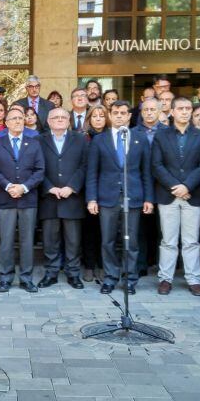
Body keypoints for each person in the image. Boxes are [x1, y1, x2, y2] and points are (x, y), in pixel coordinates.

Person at [86, 100, 154, 295]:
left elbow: (146, 172)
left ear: (129, 116)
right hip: (106, 197)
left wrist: (148, 198)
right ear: (110, 114)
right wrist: (91, 198)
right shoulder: (100, 139)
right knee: (107, 241)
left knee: (130, 242)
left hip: (133, 196)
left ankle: (130, 278)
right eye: (115, 112)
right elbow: (92, 172)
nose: (119, 116)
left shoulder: (140, 138)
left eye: (123, 113)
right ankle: (110, 277)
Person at [151, 97, 200, 297]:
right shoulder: (161, 135)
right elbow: (156, 165)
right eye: (181, 108)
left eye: (188, 108)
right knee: (168, 240)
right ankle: (165, 279)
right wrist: (175, 186)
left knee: (191, 241)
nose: (185, 112)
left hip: (192, 195)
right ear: (173, 112)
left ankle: (193, 279)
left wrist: (187, 186)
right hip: (168, 194)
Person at [0, 107, 45, 293]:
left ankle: (26, 278)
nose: (18, 121)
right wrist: (8, 186)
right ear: (7, 122)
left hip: (28, 199)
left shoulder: (34, 143)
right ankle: (5, 277)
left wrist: (24, 187)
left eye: (21, 118)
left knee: (27, 241)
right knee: (7, 241)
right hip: (5, 199)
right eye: (14, 118)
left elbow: (40, 171)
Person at [38, 107, 87, 289]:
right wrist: (49, 187)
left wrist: (72, 187)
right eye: (55, 117)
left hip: (72, 198)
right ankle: (51, 273)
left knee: (73, 240)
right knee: (50, 240)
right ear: (48, 121)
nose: (59, 119)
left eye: (63, 117)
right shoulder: (39, 140)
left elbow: (85, 166)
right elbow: (36, 167)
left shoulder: (81, 140)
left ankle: (73, 274)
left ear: (69, 121)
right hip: (49, 198)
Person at [134, 98, 166, 276]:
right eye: (145, 110)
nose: (149, 113)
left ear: (160, 111)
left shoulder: (169, 132)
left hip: (163, 187)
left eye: (153, 109)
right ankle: (141, 265)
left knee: (163, 230)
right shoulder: (132, 132)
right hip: (139, 186)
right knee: (140, 229)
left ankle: (163, 266)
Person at [81, 105, 108, 282]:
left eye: (101, 115)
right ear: (89, 119)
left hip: (107, 189)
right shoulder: (83, 138)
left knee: (104, 231)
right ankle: (89, 265)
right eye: (94, 116)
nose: (98, 119)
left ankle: (102, 264)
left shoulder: (111, 137)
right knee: (89, 230)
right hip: (87, 188)